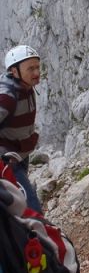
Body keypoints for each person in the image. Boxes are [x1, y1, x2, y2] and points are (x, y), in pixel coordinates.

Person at [0, 45, 42, 212]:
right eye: (30, 68)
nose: (36, 73)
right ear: (15, 72)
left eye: (38, 67)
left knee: (21, 208)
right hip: (7, 161)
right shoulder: (7, 96)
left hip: (21, 155)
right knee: (32, 209)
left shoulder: (26, 88)